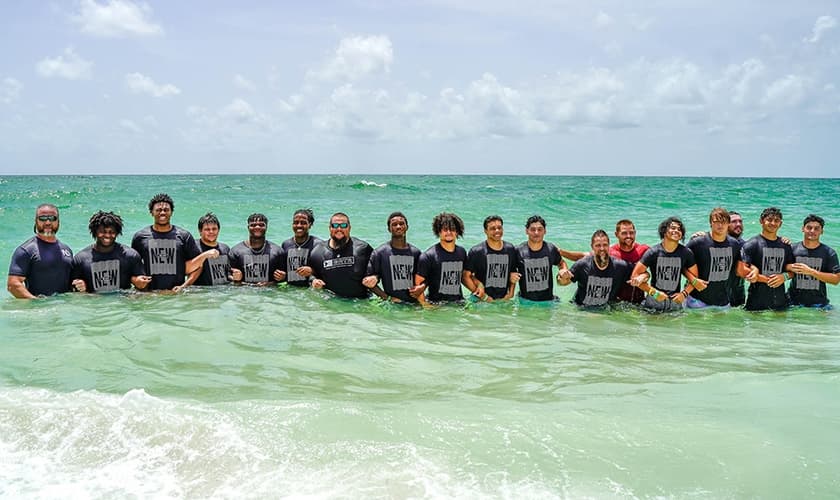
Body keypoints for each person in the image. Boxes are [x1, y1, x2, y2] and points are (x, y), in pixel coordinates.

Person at [131, 193, 202, 292]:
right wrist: (135, 281)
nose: (162, 213)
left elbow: (199, 265)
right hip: (150, 295)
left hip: (175, 297)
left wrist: (184, 286)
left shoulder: (184, 236)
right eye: (158, 210)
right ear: (151, 212)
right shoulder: (140, 237)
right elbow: (132, 267)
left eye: (166, 210)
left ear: (172, 212)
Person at [631, 216, 700, 312]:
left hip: (675, 302)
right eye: (672, 228)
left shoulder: (686, 253)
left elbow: (695, 278)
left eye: (679, 229)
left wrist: (684, 294)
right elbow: (635, 276)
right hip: (654, 301)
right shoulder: (653, 252)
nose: (676, 230)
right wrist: (653, 292)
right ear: (664, 231)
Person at [7, 203, 74, 298]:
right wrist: (36, 304)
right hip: (40, 310)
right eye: (42, 218)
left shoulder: (67, 250)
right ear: (35, 221)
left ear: (58, 221)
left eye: (52, 218)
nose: (47, 222)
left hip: (64, 309)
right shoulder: (26, 250)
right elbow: (13, 285)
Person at [71, 211, 148, 293]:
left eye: (111, 232)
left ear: (117, 233)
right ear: (95, 232)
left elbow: (143, 289)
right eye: (102, 231)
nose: (107, 235)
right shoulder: (81, 259)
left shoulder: (130, 256)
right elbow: (72, 290)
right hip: (93, 303)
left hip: (122, 304)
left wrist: (138, 284)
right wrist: (79, 287)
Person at [685, 208, 747, 308]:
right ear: (711, 223)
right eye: (716, 221)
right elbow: (680, 262)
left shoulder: (737, 245)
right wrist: (693, 280)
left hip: (725, 301)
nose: (720, 225)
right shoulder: (699, 242)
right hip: (697, 300)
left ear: (727, 223)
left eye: (723, 222)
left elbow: (742, 270)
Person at [309, 212, 374, 298]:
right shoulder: (317, 252)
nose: (339, 229)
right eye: (335, 225)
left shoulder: (363, 248)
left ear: (349, 228)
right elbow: (311, 274)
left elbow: (379, 269)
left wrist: (375, 277)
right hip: (331, 303)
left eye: (343, 225)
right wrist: (313, 280)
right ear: (330, 228)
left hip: (360, 302)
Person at [363, 211, 423, 303]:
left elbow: (424, 278)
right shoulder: (379, 253)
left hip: (413, 304)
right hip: (391, 306)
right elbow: (368, 282)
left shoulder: (416, 253)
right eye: (394, 224)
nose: (398, 226)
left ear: (407, 227)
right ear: (389, 229)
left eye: (401, 224)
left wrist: (421, 288)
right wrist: (387, 298)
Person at [741, 207, 794, 311]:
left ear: (781, 224)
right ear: (761, 221)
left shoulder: (785, 245)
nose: (773, 223)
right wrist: (766, 279)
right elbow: (743, 269)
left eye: (776, 220)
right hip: (756, 302)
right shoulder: (752, 244)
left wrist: (784, 277)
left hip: (780, 301)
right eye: (769, 220)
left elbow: (792, 271)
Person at [561, 229, 631, 307]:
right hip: (581, 309)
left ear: (609, 246)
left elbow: (640, 272)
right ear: (592, 247)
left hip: (606, 311)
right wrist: (562, 277)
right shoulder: (582, 265)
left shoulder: (620, 266)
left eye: (605, 245)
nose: (602, 248)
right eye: (598, 245)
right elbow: (563, 282)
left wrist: (643, 276)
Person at [415, 212, 470, 304]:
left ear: (457, 231)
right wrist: (425, 305)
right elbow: (418, 283)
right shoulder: (428, 256)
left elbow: (463, 277)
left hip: (458, 303)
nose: (449, 232)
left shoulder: (461, 252)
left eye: (452, 229)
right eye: (445, 230)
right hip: (437, 304)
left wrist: (478, 288)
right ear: (438, 232)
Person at [788, 214, 840, 307]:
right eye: (809, 227)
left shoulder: (829, 253)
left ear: (822, 231)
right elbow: (781, 267)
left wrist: (811, 272)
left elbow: (836, 279)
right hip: (792, 302)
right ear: (803, 229)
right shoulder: (792, 249)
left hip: (819, 303)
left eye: (816, 228)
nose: (812, 231)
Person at [464, 215, 520, 301]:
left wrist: (511, 293)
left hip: (503, 300)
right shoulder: (477, 251)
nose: (497, 231)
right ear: (485, 231)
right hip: (480, 301)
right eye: (492, 228)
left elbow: (513, 272)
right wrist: (484, 296)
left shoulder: (510, 249)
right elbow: (466, 276)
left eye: (499, 228)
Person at [515, 215, 570, 302]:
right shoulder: (518, 250)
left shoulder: (551, 249)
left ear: (545, 231)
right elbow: (510, 270)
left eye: (540, 229)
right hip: (525, 301)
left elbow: (561, 262)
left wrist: (563, 270)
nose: (536, 232)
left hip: (548, 300)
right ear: (527, 231)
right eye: (532, 229)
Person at [228, 213, 284, 285]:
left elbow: (285, 278)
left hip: (269, 294)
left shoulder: (277, 251)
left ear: (266, 227)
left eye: (261, 225)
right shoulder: (235, 251)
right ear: (248, 227)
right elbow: (228, 276)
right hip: (243, 294)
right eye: (253, 225)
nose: (257, 227)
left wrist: (281, 278)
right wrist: (236, 279)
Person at [275, 208, 323, 287]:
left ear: (310, 224)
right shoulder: (286, 244)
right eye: (296, 222)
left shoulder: (318, 245)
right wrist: (282, 276)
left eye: (303, 223)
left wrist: (312, 271)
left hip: (310, 290)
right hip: (291, 290)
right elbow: (285, 272)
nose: (299, 225)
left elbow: (325, 270)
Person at [192, 212, 239, 286]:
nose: (211, 232)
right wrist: (205, 255)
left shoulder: (225, 248)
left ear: (218, 230)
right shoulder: (193, 246)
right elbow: (185, 269)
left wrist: (236, 277)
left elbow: (227, 274)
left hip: (222, 293)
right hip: (202, 293)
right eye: (207, 229)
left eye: (214, 229)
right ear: (200, 231)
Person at [610, 219, 650, 304]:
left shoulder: (644, 250)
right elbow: (586, 258)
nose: (629, 236)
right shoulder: (610, 253)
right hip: (615, 302)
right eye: (624, 233)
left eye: (631, 233)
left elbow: (659, 265)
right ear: (616, 234)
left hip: (639, 302)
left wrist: (643, 276)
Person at [726, 211, 747, 306]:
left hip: (738, 296)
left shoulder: (746, 245)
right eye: (734, 221)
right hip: (718, 296)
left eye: (740, 221)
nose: (738, 224)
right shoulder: (713, 243)